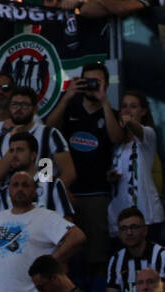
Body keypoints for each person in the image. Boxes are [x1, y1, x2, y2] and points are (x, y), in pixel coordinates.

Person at [45, 61, 122, 275]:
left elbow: (117, 137)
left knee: (97, 253)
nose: (91, 85)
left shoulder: (110, 112)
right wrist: (67, 96)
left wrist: (104, 100)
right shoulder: (70, 109)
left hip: (97, 192)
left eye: (96, 81)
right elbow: (47, 130)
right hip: (66, 192)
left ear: (106, 83)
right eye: (87, 80)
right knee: (67, 253)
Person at [106, 92, 164, 241]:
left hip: (146, 216)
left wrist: (128, 121)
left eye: (133, 106)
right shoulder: (117, 146)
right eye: (124, 106)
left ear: (143, 111)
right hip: (120, 217)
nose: (127, 110)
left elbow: (138, 130)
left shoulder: (148, 136)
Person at [102, 207, 165, 292]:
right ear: (119, 234)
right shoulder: (117, 259)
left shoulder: (161, 254)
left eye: (134, 227)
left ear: (145, 230)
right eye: (124, 229)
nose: (129, 232)